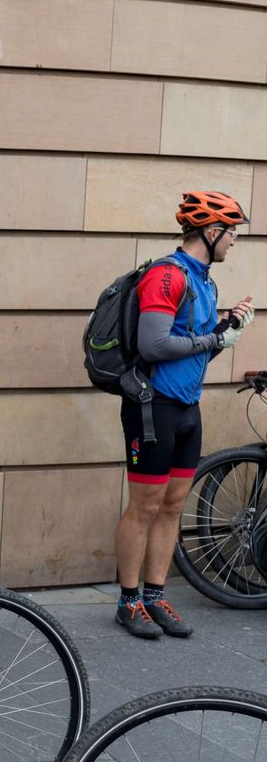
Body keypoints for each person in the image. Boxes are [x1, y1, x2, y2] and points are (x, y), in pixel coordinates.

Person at [113, 190, 253, 639]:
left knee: (173, 505)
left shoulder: (205, 282)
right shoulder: (167, 277)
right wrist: (213, 341)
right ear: (211, 232)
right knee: (145, 507)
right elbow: (154, 345)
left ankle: (155, 596)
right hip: (152, 410)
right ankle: (128, 601)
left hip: (187, 410)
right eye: (231, 233)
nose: (233, 241)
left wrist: (224, 330)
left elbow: (190, 355)